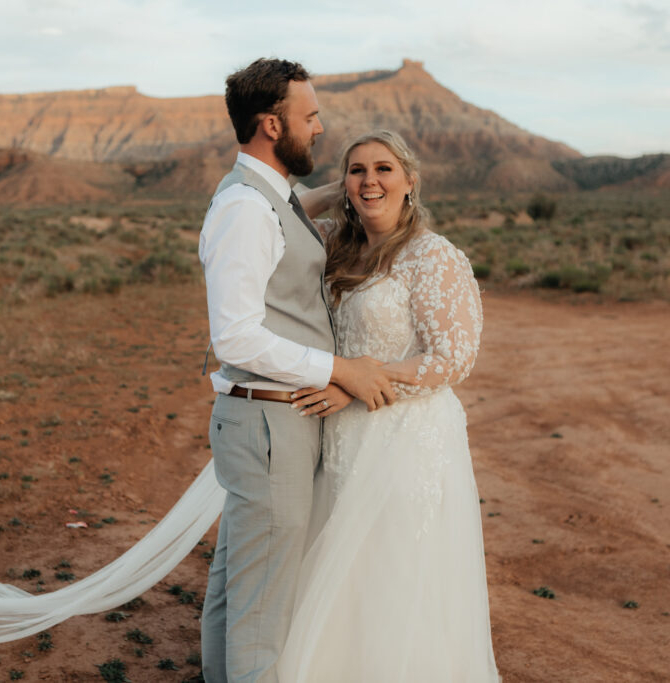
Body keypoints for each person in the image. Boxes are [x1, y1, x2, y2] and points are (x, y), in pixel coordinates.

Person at [198, 59, 416, 683]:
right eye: (310, 115)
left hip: (266, 420)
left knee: (236, 588)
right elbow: (235, 334)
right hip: (269, 424)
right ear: (272, 124)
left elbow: (296, 208)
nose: (320, 128)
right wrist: (339, 368)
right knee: (262, 609)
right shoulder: (244, 209)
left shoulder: (266, 196)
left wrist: (354, 190)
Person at [275, 130, 500, 682]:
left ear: (410, 181)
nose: (370, 180)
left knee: (395, 568)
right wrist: (340, 191)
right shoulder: (337, 244)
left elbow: (452, 358)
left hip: (406, 438)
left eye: (384, 170)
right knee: (341, 567)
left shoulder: (432, 255)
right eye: (357, 170)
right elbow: (272, 216)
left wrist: (352, 383)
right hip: (342, 438)